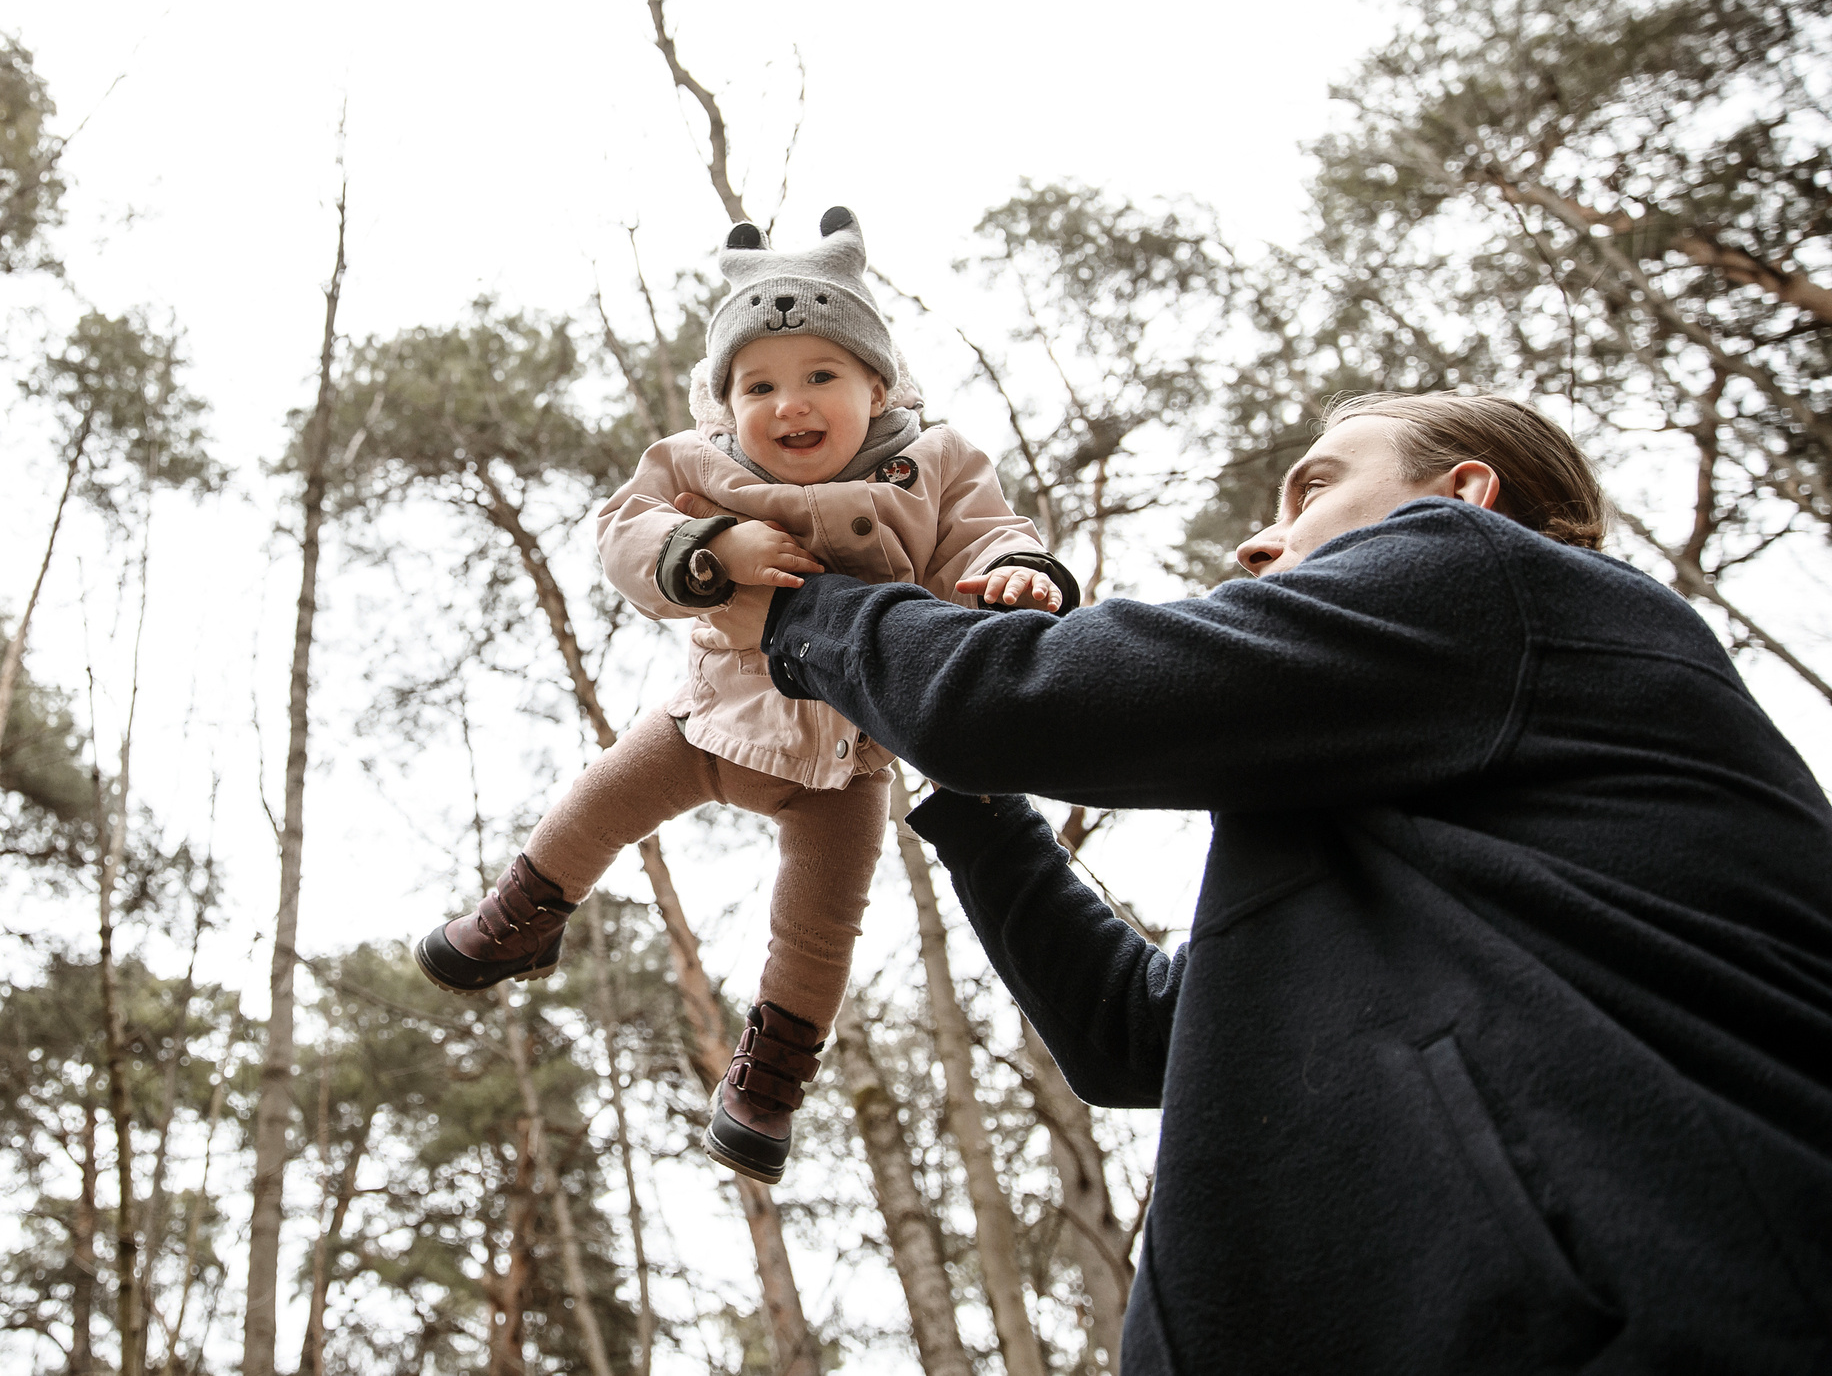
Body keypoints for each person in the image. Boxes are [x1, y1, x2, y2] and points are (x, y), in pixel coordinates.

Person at [757, 391, 1832, 1374]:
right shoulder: (1402, 770)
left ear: (1464, 491)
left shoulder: (1487, 576)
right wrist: (980, 808)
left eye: (1315, 483)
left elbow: (1012, 699)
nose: (1255, 536)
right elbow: (1132, 1035)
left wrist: (798, 611)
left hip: (1635, 1314)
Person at [412, 206, 1079, 1184]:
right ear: (725, 402)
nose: (788, 403)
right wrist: (713, 547)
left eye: (820, 376)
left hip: (845, 757)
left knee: (819, 925)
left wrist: (1018, 573)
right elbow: (624, 533)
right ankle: (521, 917)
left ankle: (766, 1083)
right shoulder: (700, 467)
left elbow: (985, 532)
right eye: (758, 384)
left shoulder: (930, 464)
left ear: (876, 385)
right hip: (710, 716)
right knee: (595, 800)